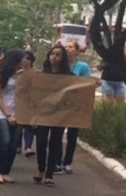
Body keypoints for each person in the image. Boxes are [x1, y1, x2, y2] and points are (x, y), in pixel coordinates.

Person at [34, 45, 72, 186]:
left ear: (63, 58)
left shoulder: (69, 77)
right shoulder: (42, 74)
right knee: (41, 142)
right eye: (52, 54)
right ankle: (41, 168)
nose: (54, 57)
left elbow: (79, 90)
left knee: (55, 142)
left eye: (57, 55)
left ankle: (49, 174)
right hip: (43, 114)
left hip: (59, 114)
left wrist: (93, 85)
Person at [0, 50, 30, 184]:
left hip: (19, 113)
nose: (24, 61)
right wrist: (8, 114)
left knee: (14, 145)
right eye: (22, 59)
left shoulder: (24, 76)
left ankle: (6, 172)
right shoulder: (0, 76)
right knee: (5, 142)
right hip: (2, 113)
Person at [62, 41, 91, 174]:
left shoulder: (82, 66)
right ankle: (57, 161)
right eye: (66, 47)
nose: (67, 49)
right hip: (60, 104)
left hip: (75, 105)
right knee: (56, 134)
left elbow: (86, 83)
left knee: (72, 135)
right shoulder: (60, 64)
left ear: (77, 51)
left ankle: (67, 162)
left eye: (70, 47)